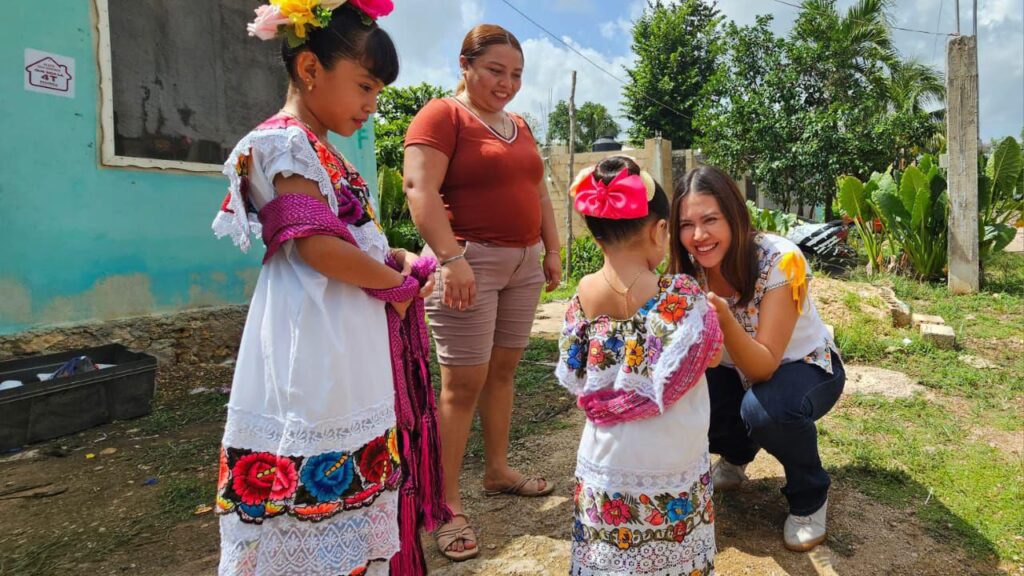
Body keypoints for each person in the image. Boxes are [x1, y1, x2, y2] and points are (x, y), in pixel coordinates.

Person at [211, 2, 448, 575]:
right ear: (311, 68)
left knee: (355, 457)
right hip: (316, 335)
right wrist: (398, 284)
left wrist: (394, 256)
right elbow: (316, 248)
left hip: (344, 328)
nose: (371, 105)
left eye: (378, 92)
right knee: (314, 442)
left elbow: (346, 238)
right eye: (365, 86)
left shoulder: (318, 148)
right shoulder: (283, 144)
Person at [403, 24, 562, 561]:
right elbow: (418, 189)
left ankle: (497, 471)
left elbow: (538, 187)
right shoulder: (442, 116)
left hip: (523, 264)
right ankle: (445, 507)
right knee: (461, 385)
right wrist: (451, 260)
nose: (507, 83)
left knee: (503, 371)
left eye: (516, 74)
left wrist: (553, 249)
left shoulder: (517, 124)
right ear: (465, 64)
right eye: (495, 70)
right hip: (469, 262)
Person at [555, 156, 723, 576]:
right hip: (671, 455)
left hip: (607, 459)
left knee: (613, 559)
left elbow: (576, 374)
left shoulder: (585, 294)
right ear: (659, 230)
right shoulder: (679, 295)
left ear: (594, 235)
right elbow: (714, 355)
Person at [669, 166, 846, 552]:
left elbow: (764, 365)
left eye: (710, 220)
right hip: (737, 373)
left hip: (806, 369)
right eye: (687, 224)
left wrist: (723, 317)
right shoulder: (688, 271)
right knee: (686, 394)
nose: (698, 236)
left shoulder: (779, 259)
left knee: (767, 410)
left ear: (734, 215)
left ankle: (809, 495)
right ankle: (736, 454)